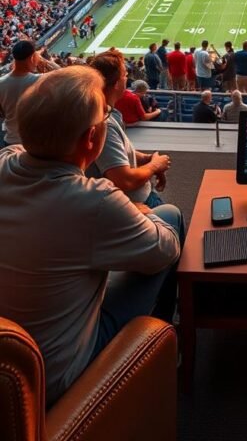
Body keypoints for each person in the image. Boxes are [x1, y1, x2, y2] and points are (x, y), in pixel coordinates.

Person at [0, 65, 181, 408]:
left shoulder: (5, 159)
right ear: (91, 138)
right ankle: (164, 340)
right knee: (170, 219)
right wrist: (140, 212)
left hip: (12, 361)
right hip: (55, 376)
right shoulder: (94, 201)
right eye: (104, 117)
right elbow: (165, 249)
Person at [87, 50, 175, 211]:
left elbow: (117, 152)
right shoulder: (103, 123)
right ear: (116, 83)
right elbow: (124, 180)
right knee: (172, 219)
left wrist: (146, 158)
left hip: (132, 199)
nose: (127, 78)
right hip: (133, 204)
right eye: (124, 75)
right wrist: (155, 166)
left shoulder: (108, 113)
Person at [0, 39, 59, 147]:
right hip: (33, 141)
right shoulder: (39, 80)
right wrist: (44, 60)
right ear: (32, 58)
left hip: (10, 142)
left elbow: (2, 113)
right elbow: (62, 72)